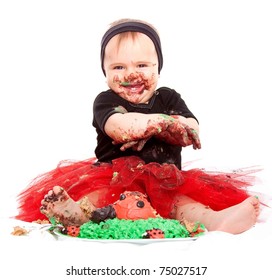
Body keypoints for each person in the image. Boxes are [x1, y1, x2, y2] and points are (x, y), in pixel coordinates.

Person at [16, 18, 260, 234]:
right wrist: (160, 123)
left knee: (183, 205)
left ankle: (216, 221)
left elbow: (191, 128)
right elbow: (118, 126)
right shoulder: (107, 100)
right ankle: (77, 214)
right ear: (105, 72)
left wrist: (180, 125)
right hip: (111, 178)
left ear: (157, 67)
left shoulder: (168, 98)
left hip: (165, 182)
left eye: (142, 65)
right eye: (119, 67)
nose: (131, 74)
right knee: (96, 198)